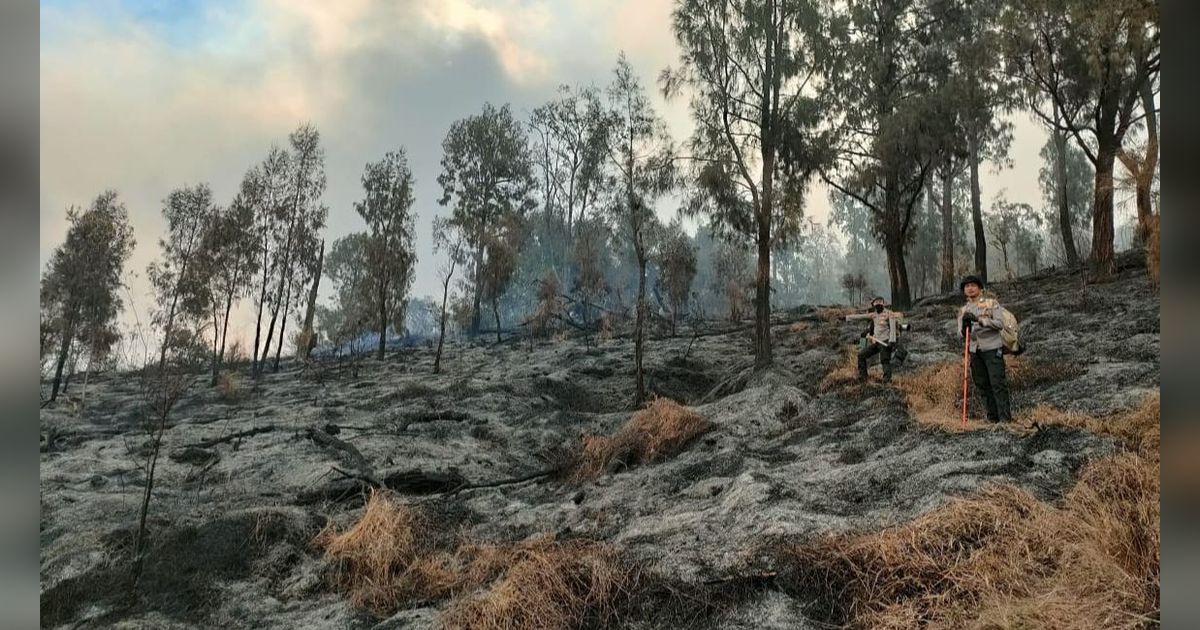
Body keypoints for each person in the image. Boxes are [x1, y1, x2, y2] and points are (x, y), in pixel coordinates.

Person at [956, 275, 1012, 422]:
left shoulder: (991, 303)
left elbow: (999, 324)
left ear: (980, 288)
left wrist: (980, 321)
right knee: (982, 384)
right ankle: (992, 418)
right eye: (967, 286)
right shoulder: (963, 311)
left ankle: (1005, 419)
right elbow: (960, 334)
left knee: (997, 383)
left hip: (992, 348)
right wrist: (964, 327)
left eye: (973, 285)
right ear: (964, 291)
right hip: (975, 350)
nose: (970, 288)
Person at [846, 296, 898, 382]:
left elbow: (893, 328)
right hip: (876, 342)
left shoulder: (889, 314)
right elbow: (860, 317)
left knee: (884, 360)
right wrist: (846, 318)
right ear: (874, 306)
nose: (877, 308)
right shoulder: (873, 315)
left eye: (879, 305)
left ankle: (887, 379)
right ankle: (863, 376)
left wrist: (892, 341)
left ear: (883, 305)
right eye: (876, 306)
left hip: (885, 342)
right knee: (861, 355)